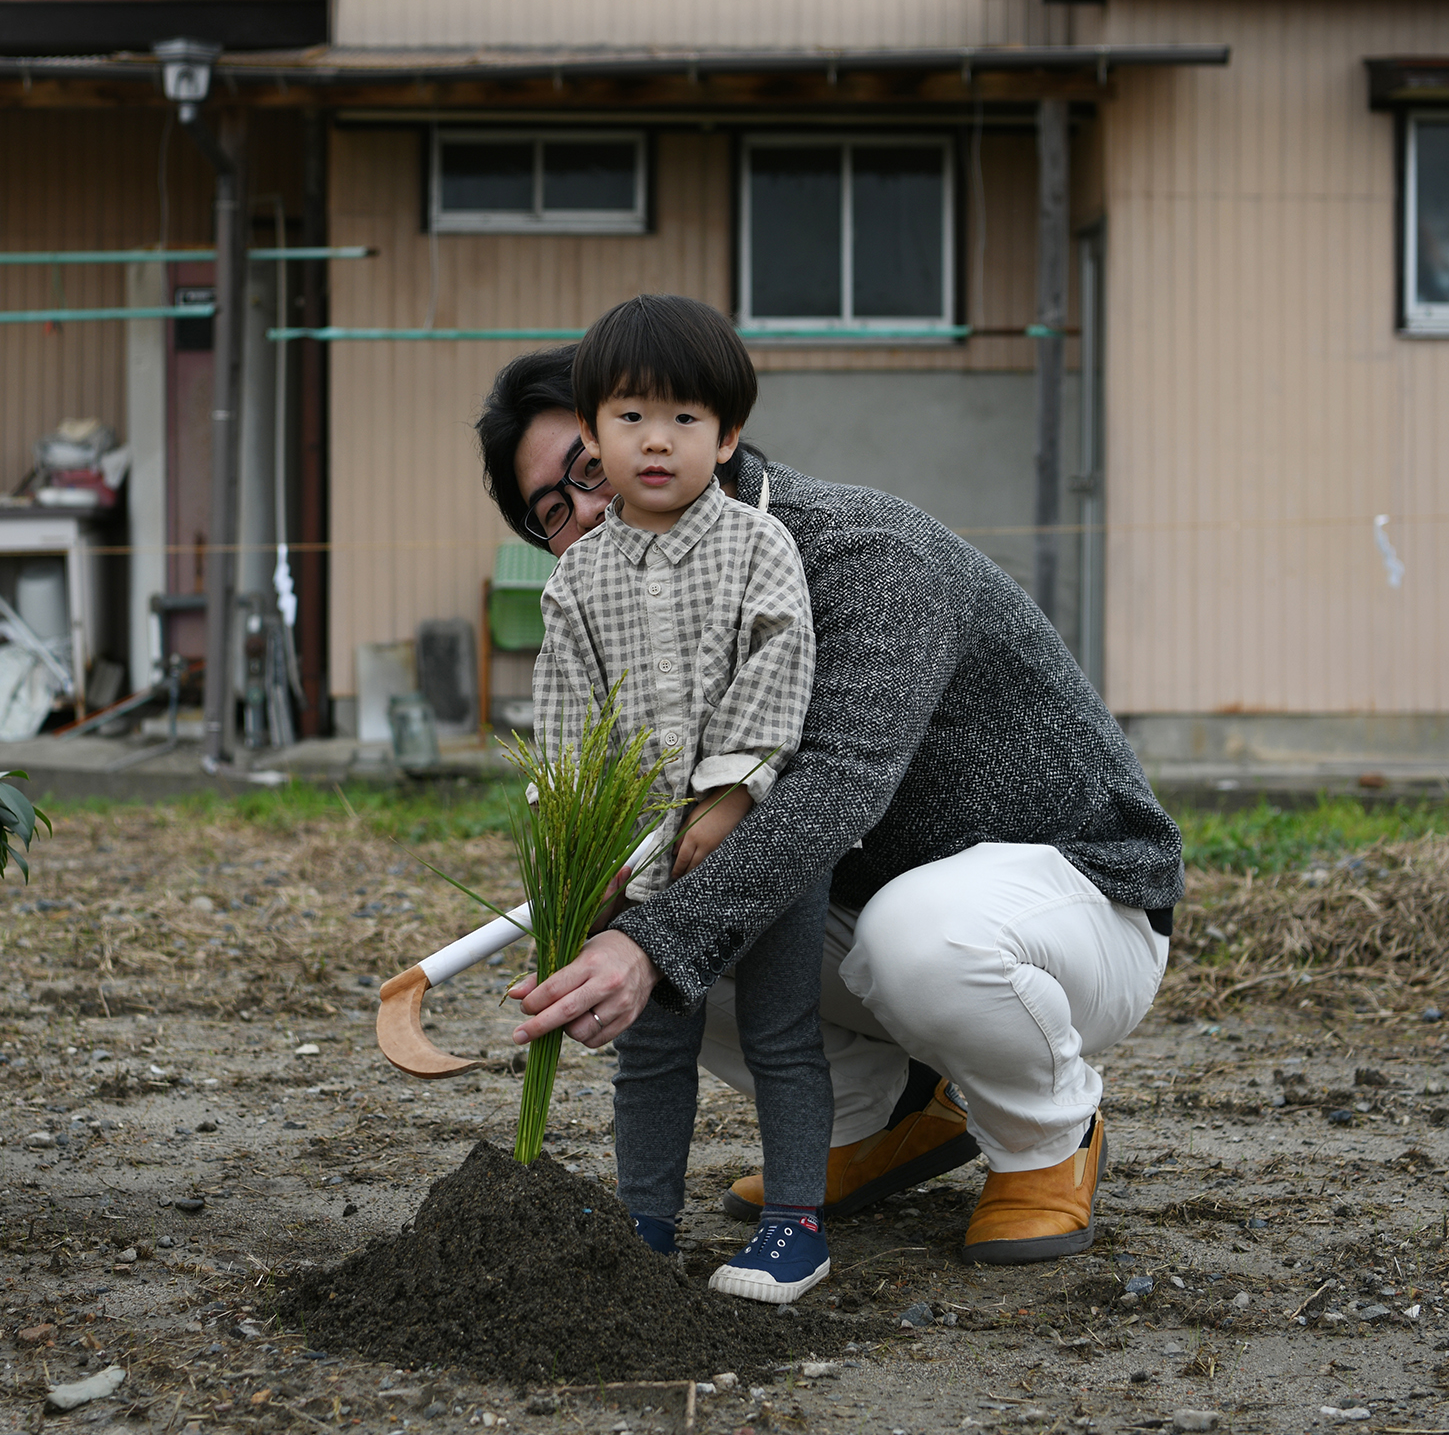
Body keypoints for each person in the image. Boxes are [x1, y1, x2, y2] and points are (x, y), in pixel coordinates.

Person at [476, 330, 1182, 1266]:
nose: (590, 510)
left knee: (883, 937)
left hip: (1075, 903)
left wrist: (652, 942)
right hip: (862, 898)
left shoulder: (860, 551)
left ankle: (1048, 1134)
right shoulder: (623, 604)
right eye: (553, 509)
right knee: (649, 928)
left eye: (590, 466)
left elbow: (836, 784)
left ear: (708, 431)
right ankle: (884, 1117)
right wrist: (594, 908)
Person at [534, 294, 832, 1304]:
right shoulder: (578, 583)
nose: (655, 441)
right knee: (649, 1045)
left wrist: (730, 796)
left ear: (729, 435)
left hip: (762, 844)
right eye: (629, 417)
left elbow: (778, 666)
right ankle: (645, 1227)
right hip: (639, 851)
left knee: (781, 1031)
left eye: (685, 420)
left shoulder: (759, 547)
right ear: (590, 433)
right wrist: (582, 841)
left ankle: (796, 1223)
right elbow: (565, 721)